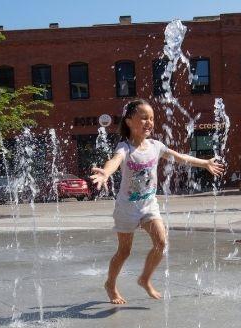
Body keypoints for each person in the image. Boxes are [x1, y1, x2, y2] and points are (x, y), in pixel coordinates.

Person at [90, 99, 224, 304]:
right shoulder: (125, 148)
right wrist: (106, 173)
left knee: (161, 242)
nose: (149, 122)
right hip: (127, 208)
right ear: (128, 122)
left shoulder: (156, 146)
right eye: (143, 118)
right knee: (124, 251)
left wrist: (204, 163)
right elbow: (115, 161)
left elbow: (180, 158)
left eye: (151, 118)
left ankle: (144, 278)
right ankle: (110, 283)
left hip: (148, 205)